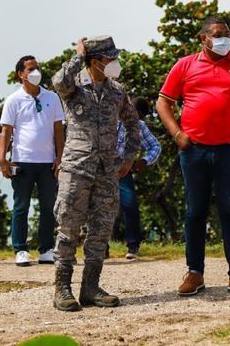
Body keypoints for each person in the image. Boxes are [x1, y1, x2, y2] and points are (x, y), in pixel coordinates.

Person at [156, 16, 230, 298]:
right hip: (194, 150)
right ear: (203, 38)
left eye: (227, 34)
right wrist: (177, 134)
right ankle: (195, 272)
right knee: (195, 212)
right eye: (218, 34)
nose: (224, 39)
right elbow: (163, 103)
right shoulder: (185, 65)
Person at [51, 36, 140, 312]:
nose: (114, 63)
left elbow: (132, 123)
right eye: (110, 58)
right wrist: (78, 55)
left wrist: (128, 157)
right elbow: (57, 82)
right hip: (77, 168)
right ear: (96, 61)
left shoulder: (117, 91)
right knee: (68, 229)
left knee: (101, 231)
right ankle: (62, 289)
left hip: (106, 171)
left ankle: (90, 287)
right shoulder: (73, 86)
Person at [0, 55, 65, 267]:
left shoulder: (52, 98)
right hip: (22, 160)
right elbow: (6, 131)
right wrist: (3, 158)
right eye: (30, 68)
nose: (36, 72)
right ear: (21, 74)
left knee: (48, 206)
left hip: (48, 162)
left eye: (37, 67)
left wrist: (60, 156)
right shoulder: (13, 100)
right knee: (21, 206)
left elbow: (58, 130)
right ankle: (20, 249)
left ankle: (46, 249)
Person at [117, 97, 162, 259]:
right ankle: (100, 248)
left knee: (130, 206)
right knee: (97, 208)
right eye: (138, 115)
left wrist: (144, 161)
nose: (139, 119)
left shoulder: (139, 126)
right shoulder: (110, 119)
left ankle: (133, 245)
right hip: (102, 170)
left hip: (123, 171)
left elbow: (155, 146)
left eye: (141, 117)